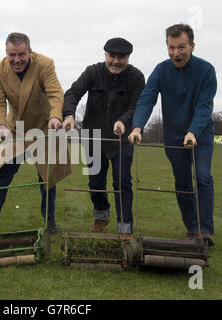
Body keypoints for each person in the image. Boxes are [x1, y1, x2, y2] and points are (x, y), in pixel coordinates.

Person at [128, 23, 217, 246]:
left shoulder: (206, 71)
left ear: (192, 46)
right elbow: (147, 99)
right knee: (183, 181)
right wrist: (137, 126)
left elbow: (204, 107)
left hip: (201, 135)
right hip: (174, 136)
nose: (176, 53)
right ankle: (192, 229)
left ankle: (205, 230)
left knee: (203, 177)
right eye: (171, 48)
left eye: (181, 47)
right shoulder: (160, 70)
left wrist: (193, 132)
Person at [0, 32, 70, 237]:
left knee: (47, 179)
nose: (16, 60)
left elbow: (55, 92)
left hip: (45, 128)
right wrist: (0, 126)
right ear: (6, 52)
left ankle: (50, 220)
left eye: (21, 54)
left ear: (29, 51)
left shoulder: (45, 64)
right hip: (14, 130)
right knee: (0, 176)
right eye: (12, 55)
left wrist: (55, 116)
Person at [62, 38, 145, 239]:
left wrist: (124, 121)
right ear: (105, 55)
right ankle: (101, 216)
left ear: (128, 57)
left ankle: (125, 227)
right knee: (95, 182)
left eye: (121, 57)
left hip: (121, 141)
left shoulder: (136, 77)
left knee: (122, 182)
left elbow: (137, 106)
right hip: (93, 137)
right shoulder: (93, 72)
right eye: (112, 56)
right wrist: (69, 115)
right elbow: (73, 93)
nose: (116, 61)